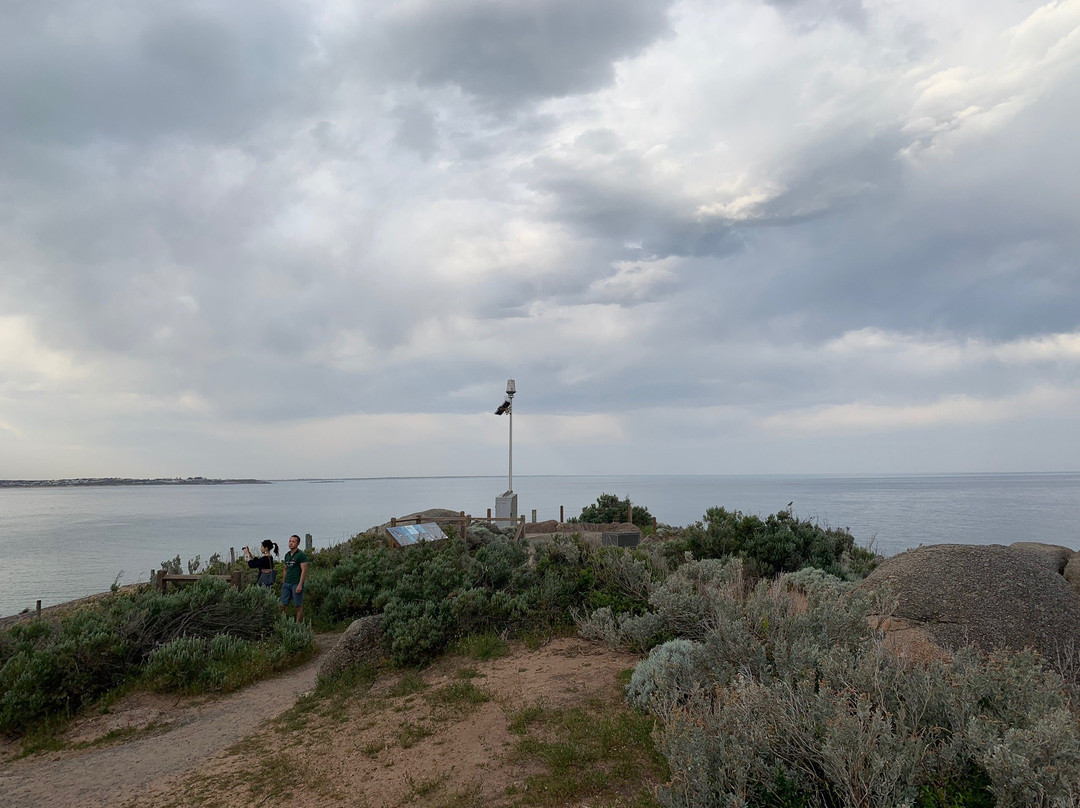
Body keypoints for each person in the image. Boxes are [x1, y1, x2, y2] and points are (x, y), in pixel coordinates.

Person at [280, 534, 309, 622]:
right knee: (283, 605)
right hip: (287, 583)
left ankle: (299, 626)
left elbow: (304, 570)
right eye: (290, 541)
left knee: (298, 606)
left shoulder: (301, 555)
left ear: (298, 543)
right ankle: (283, 623)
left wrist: (300, 585)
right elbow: (285, 569)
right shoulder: (287, 555)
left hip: (296, 583)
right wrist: (283, 581)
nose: (291, 543)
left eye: (293, 542)